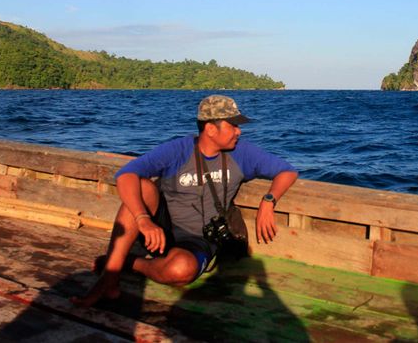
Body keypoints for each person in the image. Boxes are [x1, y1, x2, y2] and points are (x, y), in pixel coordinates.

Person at [72, 94, 299, 308]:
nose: (239, 132)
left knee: (181, 271)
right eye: (233, 125)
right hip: (163, 227)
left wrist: (268, 201)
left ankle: (128, 263)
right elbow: (126, 175)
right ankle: (109, 277)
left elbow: (287, 171)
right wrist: (144, 220)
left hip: (200, 239)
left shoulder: (241, 152)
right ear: (210, 128)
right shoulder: (178, 150)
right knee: (142, 186)